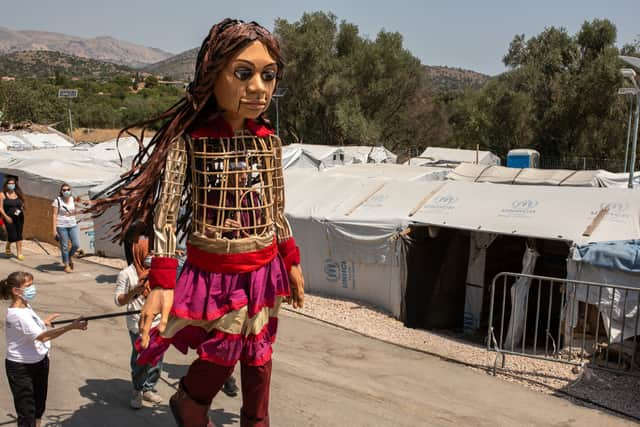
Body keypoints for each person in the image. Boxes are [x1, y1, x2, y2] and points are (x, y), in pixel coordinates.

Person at [91, 19, 304, 427]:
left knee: (260, 356)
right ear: (213, 74)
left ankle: (255, 421)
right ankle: (190, 401)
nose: (259, 88)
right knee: (222, 352)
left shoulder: (269, 142)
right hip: (215, 271)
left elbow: (276, 208)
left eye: (268, 75)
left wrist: (290, 259)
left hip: (263, 268)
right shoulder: (189, 143)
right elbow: (167, 214)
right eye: (243, 73)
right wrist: (163, 280)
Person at [2, 271, 88, 427]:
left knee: (38, 407)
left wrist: (42, 322)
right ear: (16, 291)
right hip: (21, 368)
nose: (32, 288)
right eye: (28, 286)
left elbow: (31, 328)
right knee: (27, 412)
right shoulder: (16, 315)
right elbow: (44, 337)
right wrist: (71, 327)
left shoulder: (25, 305)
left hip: (39, 361)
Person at [114, 236, 164, 409]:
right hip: (137, 324)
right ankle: (137, 389)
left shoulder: (160, 272)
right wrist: (134, 291)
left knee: (157, 358)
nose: (151, 255)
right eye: (148, 252)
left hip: (158, 322)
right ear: (138, 251)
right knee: (141, 358)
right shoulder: (126, 274)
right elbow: (119, 300)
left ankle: (149, 387)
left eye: (153, 252)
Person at [51, 183, 80, 273]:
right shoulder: (57, 200)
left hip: (72, 225)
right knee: (64, 246)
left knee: (76, 244)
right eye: (64, 190)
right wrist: (54, 230)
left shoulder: (72, 199)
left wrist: (74, 213)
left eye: (68, 189)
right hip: (61, 226)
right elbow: (54, 215)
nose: (66, 191)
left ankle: (69, 257)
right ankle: (66, 265)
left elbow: (76, 210)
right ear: (61, 191)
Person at [0, 176, 26, 260]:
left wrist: (22, 207)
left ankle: (19, 253)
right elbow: (0, 208)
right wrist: (6, 217)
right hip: (9, 218)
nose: (11, 185)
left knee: (19, 235)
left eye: (13, 184)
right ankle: (8, 244)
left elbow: (22, 203)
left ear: (15, 184)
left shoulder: (18, 193)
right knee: (13, 236)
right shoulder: (2, 194)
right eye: (9, 183)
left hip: (19, 218)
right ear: (6, 184)